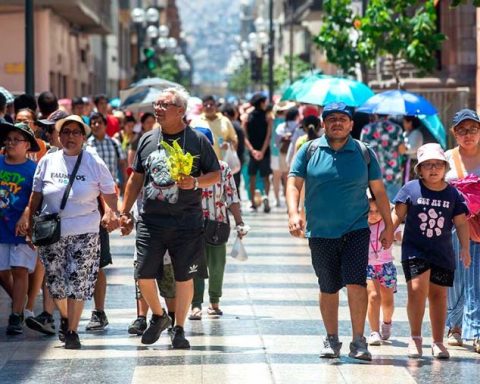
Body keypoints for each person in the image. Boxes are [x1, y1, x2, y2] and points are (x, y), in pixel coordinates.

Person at [287, 102, 393, 361]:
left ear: (351, 124)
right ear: (323, 123)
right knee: (328, 286)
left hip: (356, 229)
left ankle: (359, 341)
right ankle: (332, 339)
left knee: (357, 283)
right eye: (331, 118)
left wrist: (389, 225)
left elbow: (379, 191)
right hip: (321, 231)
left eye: (342, 119)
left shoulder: (363, 152)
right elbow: (294, 182)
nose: (337, 123)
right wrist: (293, 213)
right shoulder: (309, 150)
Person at [119, 87, 220, 349]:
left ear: (180, 111)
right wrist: (124, 210)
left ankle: (179, 328)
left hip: (186, 222)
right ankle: (159, 316)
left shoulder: (197, 140)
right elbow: (136, 177)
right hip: (151, 221)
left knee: (184, 277)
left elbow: (215, 174)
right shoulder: (147, 139)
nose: (158, 108)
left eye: (165, 104)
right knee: (142, 274)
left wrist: (196, 182)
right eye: (157, 104)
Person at [17, 115, 119, 349]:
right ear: (59, 136)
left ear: (83, 137)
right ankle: (64, 318)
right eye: (65, 132)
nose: (70, 136)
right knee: (56, 284)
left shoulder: (93, 162)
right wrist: (30, 222)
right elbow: (36, 195)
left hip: (85, 231)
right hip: (53, 232)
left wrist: (114, 212)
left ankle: (72, 330)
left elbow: (110, 193)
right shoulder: (48, 161)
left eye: (75, 132)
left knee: (78, 282)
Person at [392, 143, 470, 359]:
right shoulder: (410, 188)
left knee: (438, 295)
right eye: (427, 165)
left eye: (438, 164)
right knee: (416, 290)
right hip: (415, 249)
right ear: (420, 169)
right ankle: (415, 338)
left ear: (445, 167)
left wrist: (465, 247)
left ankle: (437, 341)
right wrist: (389, 232)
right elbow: (397, 214)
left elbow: (461, 222)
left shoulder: (453, 193)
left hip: (442, 252)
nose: (433, 169)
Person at [188, 127, 247, 320]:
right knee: (194, 265)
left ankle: (214, 302)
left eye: (203, 143)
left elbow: (232, 197)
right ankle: (195, 304)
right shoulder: (185, 169)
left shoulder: (222, 168)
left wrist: (239, 223)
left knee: (216, 265)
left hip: (218, 224)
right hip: (192, 225)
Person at [84, 112, 127, 331]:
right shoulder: (85, 146)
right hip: (77, 217)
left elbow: (121, 164)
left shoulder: (112, 144)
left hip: (104, 202)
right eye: (93, 123)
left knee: (99, 264)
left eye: (99, 122)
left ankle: (98, 311)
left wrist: (116, 206)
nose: (96, 125)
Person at [445, 109, 480, 354]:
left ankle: (476, 330)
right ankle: (454, 326)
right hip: (453, 227)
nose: (468, 135)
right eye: (462, 130)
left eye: (473, 129)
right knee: (456, 276)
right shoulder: (447, 158)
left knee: (478, 277)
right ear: (454, 133)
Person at [0, 122, 39, 335]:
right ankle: (20, 301)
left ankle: (15, 315)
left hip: (22, 229)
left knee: (19, 269)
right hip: (1, 226)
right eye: (9, 139)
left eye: (17, 139)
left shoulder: (33, 169)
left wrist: (26, 215)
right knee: (2, 271)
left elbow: (37, 198)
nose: (11, 143)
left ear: (27, 145)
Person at [366, 194, 402, 346]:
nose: (373, 215)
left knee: (387, 301)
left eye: (377, 211)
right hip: (367, 266)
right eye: (370, 211)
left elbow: (400, 235)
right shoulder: (360, 224)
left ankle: (386, 322)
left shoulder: (389, 224)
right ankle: (374, 332)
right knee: (373, 296)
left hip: (386, 265)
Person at [360, 114, 406, 202]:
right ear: (388, 114)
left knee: (374, 204)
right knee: (392, 206)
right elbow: (402, 150)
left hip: (373, 172)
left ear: (375, 114)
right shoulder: (397, 128)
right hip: (393, 173)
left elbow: (362, 151)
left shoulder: (366, 129)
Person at [244, 94, 272, 212]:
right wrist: (262, 151)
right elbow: (268, 136)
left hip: (252, 152)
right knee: (265, 177)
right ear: (261, 103)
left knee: (252, 177)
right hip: (264, 152)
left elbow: (244, 136)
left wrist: (252, 151)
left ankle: (252, 203)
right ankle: (265, 195)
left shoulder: (247, 117)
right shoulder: (268, 117)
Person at [191, 95, 238, 160]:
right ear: (202, 107)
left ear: (216, 106)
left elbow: (234, 140)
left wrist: (228, 145)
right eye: (205, 105)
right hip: (202, 164)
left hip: (222, 164)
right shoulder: (195, 122)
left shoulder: (225, 121)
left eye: (211, 104)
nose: (208, 107)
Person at [221, 103, 244, 198]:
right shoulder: (238, 125)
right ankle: (236, 202)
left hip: (227, 159)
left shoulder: (227, 126)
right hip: (237, 158)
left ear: (225, 114)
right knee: (235, 183)